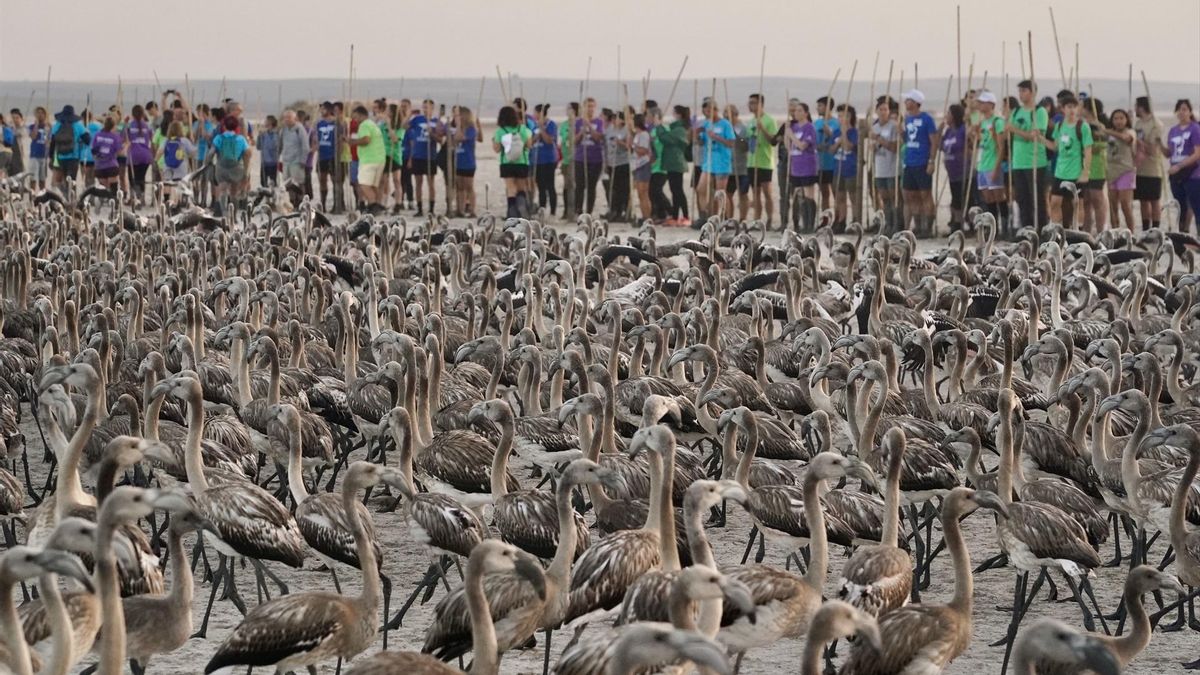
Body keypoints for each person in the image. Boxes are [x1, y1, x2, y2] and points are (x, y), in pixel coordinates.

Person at [1041, 94, 1092, 227]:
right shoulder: (1059, 126)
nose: (1072, 110)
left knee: (1077, 203)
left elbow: (1088, 150)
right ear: (1063, 108)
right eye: (1069, 107)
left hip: (1076, 171)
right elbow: (1055, 146)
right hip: (1060, 172)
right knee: (1055, 202)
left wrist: (1085, 172)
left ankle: (1078, 229)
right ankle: (1056, 228)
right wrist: (1041, 139)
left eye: (1074, 107)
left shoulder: (1082, 126)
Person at [1009, 80, 1051, 231]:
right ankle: (1026, 229)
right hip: (1018, 162)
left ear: (1032, 92)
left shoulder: (1039, 112)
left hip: (1035, 161)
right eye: (1019, 91)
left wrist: (1014, 129)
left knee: (1037, 200)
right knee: (1022, 199)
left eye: (1024, 91)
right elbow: (1008, 130)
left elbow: (1033, 135)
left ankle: (1041, 229)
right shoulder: (1016, 111)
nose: (1021, 94)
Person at [901, 90, 939, 236]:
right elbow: (909, 140)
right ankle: (918, 225)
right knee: (911, 195)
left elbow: (933, 141)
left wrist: (931, 161)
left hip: (922, 162)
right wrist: (901, 133)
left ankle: (928, 228)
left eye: (908, 100)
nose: (905, 103)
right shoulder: (907, 119)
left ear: (916, 102)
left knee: (925, 195)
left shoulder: (927, 119)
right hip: (909, 162)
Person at [694, 99, 734, 223]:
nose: (707, 113)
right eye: (705, 111)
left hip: (722, 163)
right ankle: (705, 214)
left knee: (720, 193)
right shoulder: (706, 124)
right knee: (700, 189)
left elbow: (731, 143)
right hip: (708, 162)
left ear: (715, 110)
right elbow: (701, 143)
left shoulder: (725, 124)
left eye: (709, 111)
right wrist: (696, 134)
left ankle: (725, 218)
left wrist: (716, 137)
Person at [973, 91, 1008, 233]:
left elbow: (1001, 147)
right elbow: (980, 142)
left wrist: (996, 167)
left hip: (992, 163)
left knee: (998, 195)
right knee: (987, 197)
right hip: (982, 164)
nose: (980, 105)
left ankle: (1004, 226)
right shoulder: (982, 122)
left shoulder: (997, 122)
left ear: (991, 104)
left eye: (983, 102)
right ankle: (994, 228)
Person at [1165, 99, 1200, 231]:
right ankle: (1183, 234)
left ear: (1190, 112)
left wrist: (1179, 166)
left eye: (1184, 109)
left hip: (1192, 172)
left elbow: (1197, 153)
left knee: (1195, 204)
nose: (1181, 112)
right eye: (1179, 109)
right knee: (1180, 206)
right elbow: (1169, 153)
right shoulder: (1173, 130)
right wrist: (1157, 145)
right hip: (1176, 173)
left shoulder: (1195, 129)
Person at [343, 105, 386, 213]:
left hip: (369, 160)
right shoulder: (373, 124)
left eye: (356, 117)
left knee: (363, 184)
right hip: (379, 158)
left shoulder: (364, 125)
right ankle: (377, 204)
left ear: (361, 115)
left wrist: (352, 142)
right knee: (373, 185)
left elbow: (366, 140)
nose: (355, 120)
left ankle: (372, 205)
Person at [493, 105, 533, 218]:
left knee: (510, 188)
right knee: (521, 188)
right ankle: (522, 209)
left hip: (507, 163)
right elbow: (529, 146)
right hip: (522, 162)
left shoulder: (501, 131)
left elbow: (496, 149)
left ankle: (512, 213)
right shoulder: (523, 129)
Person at [746, 93, 779, 226]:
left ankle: (770, 218)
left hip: (765, 162)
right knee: (755, 193)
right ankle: (757, 220)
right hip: (752, 161)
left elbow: (773, 140)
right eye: (750, 103)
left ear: (761, 104)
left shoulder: (769, 120)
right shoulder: (751, 121)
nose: (751, 105)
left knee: (767, 193)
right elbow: (748, 139)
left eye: (753, 103)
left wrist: (763, 129)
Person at [870, 96, 901, 232]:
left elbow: (895, 147)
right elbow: (873, 146)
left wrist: (879, 140)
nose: (883, 112)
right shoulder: (874, 127)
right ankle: (888, 224)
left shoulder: (893, 126)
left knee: (894, 197)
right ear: (876, 111)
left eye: (885, 109)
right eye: (880, 109)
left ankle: (897, 224)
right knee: (884, 198)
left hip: (892, 167)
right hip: (879, 168)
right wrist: (873, 145)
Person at [786, 101, 819, 231]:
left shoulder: (809, 127)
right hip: (796, 167)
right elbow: (788, 147)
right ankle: (797, 222)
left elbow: (802, 145)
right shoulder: (794, 128)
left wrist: (791, 136)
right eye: (795, 111)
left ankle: (809, 224)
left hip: (807, 165)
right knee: (797, 195)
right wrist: (786, 132)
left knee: (808, 195)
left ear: (806, 113)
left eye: (800, 110)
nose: (797, 113)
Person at [211, 115, 252, 216]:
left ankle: (224, 212)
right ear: (237, 127)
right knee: (234, 193)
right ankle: (234, 215)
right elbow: (247, 153)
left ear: (224, 126)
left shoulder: (219, 138)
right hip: (236, 168)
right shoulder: (241, 139)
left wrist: (206, 164)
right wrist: (246, 173)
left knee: (223, 190)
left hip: (221, 167)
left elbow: (211, 153)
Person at [1102, 108, 1137, 230]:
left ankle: (1131, 232)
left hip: (1125, 171)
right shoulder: (1108, 134)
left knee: (1125, 204)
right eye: (1115, 118)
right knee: (1113, 206)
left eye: (1121, 118)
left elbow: (1126, 138)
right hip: (1111, 172)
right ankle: (1115, 231)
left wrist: (1107, 131)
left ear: (1127, 119)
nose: (1118, 121)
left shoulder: (1130, 132)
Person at [1134, 96, 1165, 229]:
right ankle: (1146, 228)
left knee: (1154, 200)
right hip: (1140, 169)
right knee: (1143, 200)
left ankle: (1156, 227)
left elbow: (1152, 149)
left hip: (1153, 169)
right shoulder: (1138, 123)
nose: (1135, 108)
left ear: (1142, 107)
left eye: (1136, 105)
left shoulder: (1156, 124)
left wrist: (1138, 141)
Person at [407, 99, 442, 216]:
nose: (425, 109)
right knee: (418, 183)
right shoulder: (417, 119)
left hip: (430, 156)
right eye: (424, 107)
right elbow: (405, 126)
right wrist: (408, 115)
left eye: (427, 107)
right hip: (418, 155)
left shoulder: (436, 121)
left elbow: (440, 139)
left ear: (432, 108)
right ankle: (420, 208)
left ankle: (431, 209)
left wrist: (432, 133)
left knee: (430, 183)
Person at [657, 106, 690, 225]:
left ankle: (685, 216)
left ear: (679, 114)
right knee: (674, 190)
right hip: (672, 163)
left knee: (678, 190)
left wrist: (659, 126)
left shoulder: (680, 129)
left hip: (676, 163)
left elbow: (666, 138)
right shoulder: (676, 128)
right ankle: (675, 216)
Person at [1080, 98, 1109, 233]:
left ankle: (1100, 230)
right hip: (1083, 166)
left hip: (1097, 167)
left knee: (1097, 199)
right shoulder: (1081, 125)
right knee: (1085, 200)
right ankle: (1086, 230)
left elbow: (1102, 146)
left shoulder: (1100, 126)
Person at [940, 103, 969, 232]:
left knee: (961, 198)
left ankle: (962, 224)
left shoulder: (963, 129)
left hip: (963, 170)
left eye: (949, 113)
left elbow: (969, 146)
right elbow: (941, 146)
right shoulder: (948, 131)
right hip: (952, 171)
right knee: (955, 198)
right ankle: (956, 223)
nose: (947, 116)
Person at [574, 97, 605, 216]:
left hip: (595, 158)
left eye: (592, 106)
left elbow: (598, 137)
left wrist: (590, 126)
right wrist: (582, 130)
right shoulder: (578, 122)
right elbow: (575, 141)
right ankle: (578, 210)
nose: (590, 109)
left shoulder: (599, 122)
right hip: (580, 158)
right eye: (588, 106)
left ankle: (589, 211)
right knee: (580, 186)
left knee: (592, 186)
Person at [49, 104, 89, 191]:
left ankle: (64, 198)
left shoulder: (57, 125)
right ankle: (71, 198)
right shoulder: (77, 125)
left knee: (62, 180)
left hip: (60, 156)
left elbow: (52, 143)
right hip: (73, 157)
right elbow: (88, 140)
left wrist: (50, 157)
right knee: (71, 180)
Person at [832, 104, 859, 231]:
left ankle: (855, 222)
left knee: (853, 197)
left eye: (845, 116)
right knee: (840, 197)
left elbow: (849, 147)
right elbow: (831, 150)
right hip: (838, 168)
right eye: (840, 116)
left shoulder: (854, 132)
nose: (842, 118)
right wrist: (838, 141)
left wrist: (844, 134)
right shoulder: (835, 132)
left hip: (851, 169)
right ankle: (841, 221)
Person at [530, 104, 559, 217]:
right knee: (540, 186)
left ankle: (553, 211)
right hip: (537, 160)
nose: (534, 115)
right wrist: (535, 136)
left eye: (535, 112)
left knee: (550, 186)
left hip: (548, 160)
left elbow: (549, 141)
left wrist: (542, 129)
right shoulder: (534, 125)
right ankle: (542, 209)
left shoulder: (551, 124)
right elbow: (531, 141)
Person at [156, 121, 197, 201]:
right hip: (181, 167)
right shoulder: (184, 141)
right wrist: (192, 143)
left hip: (168, 166)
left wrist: (158, 164)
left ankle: (167, 200)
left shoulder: (166, 141)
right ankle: (177, 203)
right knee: (178, 185)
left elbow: (159, 153)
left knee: (168, 184)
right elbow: (193, 153)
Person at [450, 106, 478, 217]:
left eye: (457, 115)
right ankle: (460, 209)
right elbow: (452, 140)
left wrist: (458, 125)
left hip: (468, 162)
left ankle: (472, 209)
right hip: (459, 161)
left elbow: (459, 137)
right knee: (459, 187)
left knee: (469, 187)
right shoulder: (455, 128)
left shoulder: (471, 129)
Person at [814, 96, 841, 214]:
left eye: (820, 106)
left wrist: (829, 132)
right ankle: (825, 217)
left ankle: (839, 217)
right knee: (824, 193)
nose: (817, 108)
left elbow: (837, 138)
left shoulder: (836, 123)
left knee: (836, 192)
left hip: (832, 163)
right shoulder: (817, 122)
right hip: (821, 163)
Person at [603, 109, 631, 221]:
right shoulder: (610, 130)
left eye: (617, 118)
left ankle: (624, 211)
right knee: (614, 188)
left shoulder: (626, 131)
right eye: (614, 119)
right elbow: (606, 145)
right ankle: (615, 210)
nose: (615, 121)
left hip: (623, 163)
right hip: (611, 163)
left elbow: (629, 146)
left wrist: (620, 142)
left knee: (623, 189)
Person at [124, 104, 154, 205]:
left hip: (134, 154)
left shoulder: (129, 125)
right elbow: (151, 138)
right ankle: (141, 198)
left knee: (133, 178)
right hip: (145, 154)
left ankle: (135, 197)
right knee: (141, 178)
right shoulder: (147, 126)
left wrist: (124, 124)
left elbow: (124, 137)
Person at [726, 104, 751, 221]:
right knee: (728, 194)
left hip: (742, 168)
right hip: (729, 167)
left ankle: (742, 219)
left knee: (743, 194)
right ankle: (730, 219)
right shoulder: (725, 127)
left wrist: (736, 136)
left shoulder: (743, 128)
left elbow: (745, 146)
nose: (726, 115)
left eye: (728, 113)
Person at [90, 114, 123, 190]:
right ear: (113, 126)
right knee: (113, 190)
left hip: (99, 166)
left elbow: (93, 150)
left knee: (104, 190)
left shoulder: (97, 135)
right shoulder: (115, 136)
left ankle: (104, 201)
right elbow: (119, 152)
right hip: (111, 165)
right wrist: (127, 146)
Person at [314, 103, 338, 210]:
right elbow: (315, 138)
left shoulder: (335, 123)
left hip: (332, 155)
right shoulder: (319, 123)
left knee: (334, 180)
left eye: (323, 109)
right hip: (322, 155)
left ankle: (336, 204)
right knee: (322, 180)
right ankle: (323, 203)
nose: (321, 111)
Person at [279, 109, 309, 190]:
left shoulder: (299, 129)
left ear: (294, 118)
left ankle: (300, 201)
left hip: (297, 162)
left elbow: (305, 146)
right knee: (287, 185)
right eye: (285, 117)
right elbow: (280, 145)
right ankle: (291, 201)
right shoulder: (283, 130)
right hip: (286, 162)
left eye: (289, 117)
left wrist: (303, 160)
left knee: (297, 185)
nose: (286, 119)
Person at [631, 112, 653, 221]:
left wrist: (634, 146)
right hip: (637, 166)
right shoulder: (637, 134)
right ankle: (644, 216)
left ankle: (647, 217)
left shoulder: (644, 134)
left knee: (643, 193)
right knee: (640, 193)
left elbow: (643, 151)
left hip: (643, 164)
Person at [192, 103, 215, 205]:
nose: (199, 115)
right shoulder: (195, 124)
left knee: (205, 179)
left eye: (200, 113)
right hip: (197, 154)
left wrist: (203, 126)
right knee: (196, 178)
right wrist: (198, 126)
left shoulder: (210, 125)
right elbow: (194, 138)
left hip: (206, 155)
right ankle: (196, 199)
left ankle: (204, 200)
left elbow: (207, 137)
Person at [560, 102, 578, 219]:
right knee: (566, 186)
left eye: (569, 109)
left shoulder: (578, 124)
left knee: (573, 185)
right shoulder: (564, 125)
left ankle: (573, 210)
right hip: (565, 159)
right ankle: (566, 210)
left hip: (575, 158)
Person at [27, 107, 50, 189]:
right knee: (33, 178)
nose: (40, 115)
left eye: (42, 113)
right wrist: (36, 125)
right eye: (38, 113)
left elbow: (49, 142)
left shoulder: (48, 127)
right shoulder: (31, 126)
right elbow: (33, 136)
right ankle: (32, 196)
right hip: (34, 155)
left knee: (42, 179)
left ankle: (42, 196)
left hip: (43, 156)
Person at [256, 115, 281, 188]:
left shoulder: (277, 134)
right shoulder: (263, 134)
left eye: (266, 121)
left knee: (274, 182)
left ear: (270, 122)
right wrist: (259, 137)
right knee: (263, 183)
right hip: (264, 162)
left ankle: (273, 196)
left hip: (274, 162)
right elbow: (258, 147)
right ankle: (266, 197)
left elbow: (278, 147)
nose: (264, 122)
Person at [79, 109, 101, 187]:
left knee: (86, 179)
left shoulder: (81, 128)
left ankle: (88, 196)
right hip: (95, 156)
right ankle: (92, 196)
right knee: (93, 179)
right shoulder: (99, 127)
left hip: (84, 156)